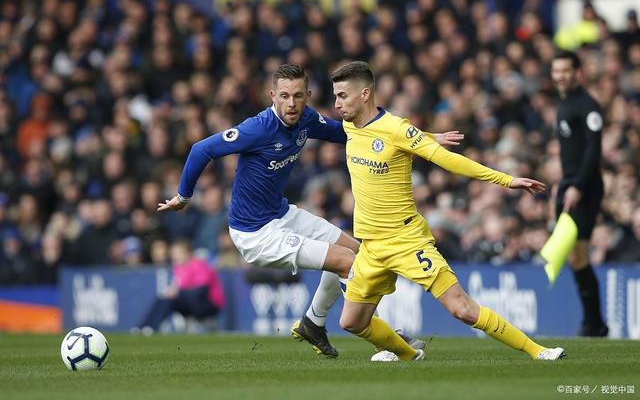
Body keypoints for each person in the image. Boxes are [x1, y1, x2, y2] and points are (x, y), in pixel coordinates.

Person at [158, 64, 459, 357]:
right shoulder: (257, 128)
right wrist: (184, 196)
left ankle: (313, 323)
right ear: (272, 96)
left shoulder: (307, 120)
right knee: (346, 262)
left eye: (298, 95)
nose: (292, 103)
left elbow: (358, 132)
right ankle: (385, 341)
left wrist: (424, 139)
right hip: (254, 233)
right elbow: (201, 149)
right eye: (285, 96)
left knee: (356, 251)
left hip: (282, 214)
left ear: (308, 94)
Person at [330, 61, 565, 361]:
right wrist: (428, 134)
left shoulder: (396, 129)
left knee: (462, 310)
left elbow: (449, 161)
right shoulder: (351, 127)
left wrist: (505, 179)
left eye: (342, 96)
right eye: (335, 96)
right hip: (371, 247)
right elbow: (391, 134)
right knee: (351, 322)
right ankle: (408, 355)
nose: (337, 104)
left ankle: (539, 351)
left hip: (406, 241)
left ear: (364, 94)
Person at [547, 50, 608, 337]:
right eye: (556, 71)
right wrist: (561, 186)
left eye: (565, 71)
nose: (560, 76)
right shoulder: (564, 105)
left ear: (578, 73)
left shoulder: (588, 106)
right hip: (568, 184)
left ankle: (593, 324)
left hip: (584, 187)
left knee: (579, 254)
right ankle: (594, 322)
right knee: (574, 256)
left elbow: (593, 152)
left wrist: (578, 186)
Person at [138, 239, 225, 332]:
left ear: (187, 253)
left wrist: (178, 293)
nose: (174, 256)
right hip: (191, 303)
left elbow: (201, 291)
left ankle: (150, 327)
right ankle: (145, 326)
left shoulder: (199, 265)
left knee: (170, 299)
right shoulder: (179, 268)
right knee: (163, 299)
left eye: (177, 253)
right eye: (173, 253)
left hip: (209, 304)